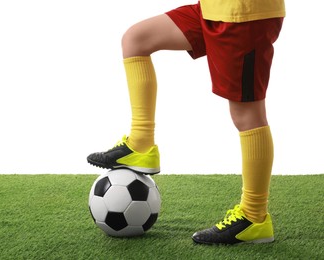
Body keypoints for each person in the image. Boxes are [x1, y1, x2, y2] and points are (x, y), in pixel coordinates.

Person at [87, 0, 285, 245]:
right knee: (136, 40)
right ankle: (141, 145)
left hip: (243, 17)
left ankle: (254, 217)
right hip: (213, 9)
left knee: (247, 115)